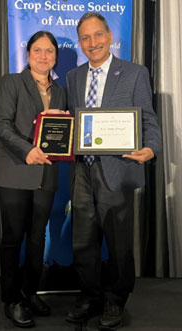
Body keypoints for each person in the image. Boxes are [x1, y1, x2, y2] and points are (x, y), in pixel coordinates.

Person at [65, 13, 162, 330]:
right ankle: (90, 296)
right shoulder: (73, 77)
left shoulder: (134, 73)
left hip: (117, 168)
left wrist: (151, 148)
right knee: (83, 241)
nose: (92, 43)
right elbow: (72, 124)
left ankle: (116, 300)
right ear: (80, 42)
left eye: (97, 35)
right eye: (85, 38)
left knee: (119, 244)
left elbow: (148, 116)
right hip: (82, 170)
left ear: (109, 36)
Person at [0, 31, 66, 328]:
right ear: (28, 54)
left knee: (37, 238)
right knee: (12, 240)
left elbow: (61, 131)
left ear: (55, 56)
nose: (43, 56)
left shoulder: (60, 91)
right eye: (37, 50)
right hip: (14, 172)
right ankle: (11, 300)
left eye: (49, 51)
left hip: (46, 175)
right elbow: (1, 124)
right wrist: (27, 151)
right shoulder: (12, 82)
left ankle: (30, 292)